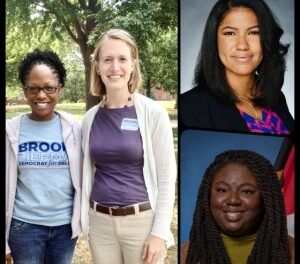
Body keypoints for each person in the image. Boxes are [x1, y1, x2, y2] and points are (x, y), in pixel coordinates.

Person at [80, 28, 176, 264]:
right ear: (98, 67)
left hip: (142, 223)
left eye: (122, 59)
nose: (115, 67)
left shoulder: (152, 113)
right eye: (107, 60)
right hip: (100, 224)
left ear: (133, 64)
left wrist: (159, 233)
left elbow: (166, 177)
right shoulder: (89, 119)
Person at [5, 50, 82, 264]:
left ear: (60, 90)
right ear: (25, 90)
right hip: (24, 227)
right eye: (34, 88)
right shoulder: (11, 130)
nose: (41, 95)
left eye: (49, 88)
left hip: (64, 228)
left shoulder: (75, 129)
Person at [180, 0, 294, 134]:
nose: (242, 45)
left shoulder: (275, 97)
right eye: (230, 33)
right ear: (214, 40)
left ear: (266, 38)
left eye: (254, 32)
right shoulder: (189, 107)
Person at [180, 149, 294, 264]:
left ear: (266, 199)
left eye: (247, 191)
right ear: (208, 196)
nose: (233, 200)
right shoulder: (189, 253)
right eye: (222, 190)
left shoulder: (290, 252)